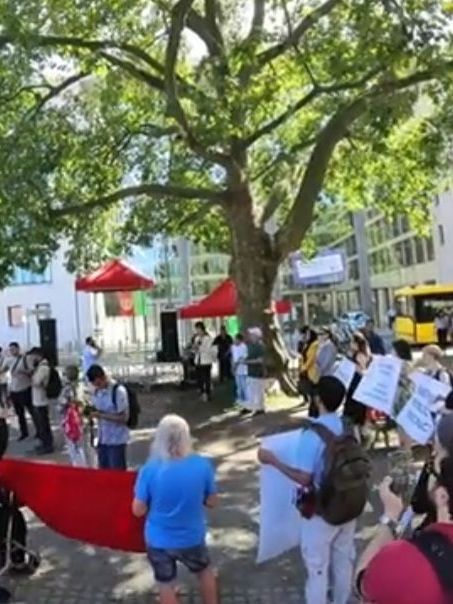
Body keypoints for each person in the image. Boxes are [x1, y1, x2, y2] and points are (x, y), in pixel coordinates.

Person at [258, 377, 359, 604]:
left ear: (318, 399)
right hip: (349, 501)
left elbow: (304, 478)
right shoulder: (347, 427)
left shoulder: (312, 435)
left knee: (317, 569)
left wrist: (274, 461)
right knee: (343, 559)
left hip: (322, 509)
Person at [132, 415, 218, 604]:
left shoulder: (149, 469)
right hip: (192, 536)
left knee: (166, 584)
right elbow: (212, 501)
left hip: (159, 540)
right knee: (204, 572)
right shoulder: (202, 465)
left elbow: (138, 510)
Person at [356, 461, 453, 604]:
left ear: (442, 496)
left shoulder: (403, 560)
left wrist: (390, 518)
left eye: (431, 468)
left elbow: (362, 582)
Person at [86, 364, 129, 470]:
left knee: (116, 473)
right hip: (102, 439)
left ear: (103, 377)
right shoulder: (96, 392)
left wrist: (101, 415)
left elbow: (124, 418)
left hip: (116, 440)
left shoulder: (118, 391)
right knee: (104, 472)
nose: (98, 387)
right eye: (95, 385)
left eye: (98, 384)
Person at [2, 342, 37, 442]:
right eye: (10, 349)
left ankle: (39, 431)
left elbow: (32, 371)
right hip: (14, 390)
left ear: (18, 348)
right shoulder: (8, 360)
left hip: (25, 389)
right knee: (19, 413)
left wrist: (25, 372)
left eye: (14, 349)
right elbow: (3, 370)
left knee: (32, 411)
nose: (12, 351)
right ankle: (24, 432)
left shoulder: (25, 359)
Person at [343, 332, 372, 441]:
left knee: (355, 418)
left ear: (356, 343)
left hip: (357, 386)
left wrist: (353, 366)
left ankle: (358, 440)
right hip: (353, 386)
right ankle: (358, 438)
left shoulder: (360, 355)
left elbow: (364, 371)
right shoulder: (354, 354)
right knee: (354, 419)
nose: (350, 344)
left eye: (352, 342)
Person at [60, 365, 87, 467]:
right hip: (82, 419)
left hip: (70, 421)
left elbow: (61, 404)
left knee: (73, 446)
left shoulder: (67, 389)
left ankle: (78, 466)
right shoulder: (82, 386)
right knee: (83, 446)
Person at [29, 347, 54, 455]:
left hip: (41, 400)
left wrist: (31, 377)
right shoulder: (39, 367)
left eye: (33, 356)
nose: (32, 358)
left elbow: (36, 382)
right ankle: (44, 443)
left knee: (44, 424)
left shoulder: (43, 367)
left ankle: (47, 445)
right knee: (41, 424)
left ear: (38, 355)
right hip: (37, 399)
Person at [298, 327, 319, 416]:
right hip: (306, 371)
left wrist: (304, 368)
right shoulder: (306, 344)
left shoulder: (315, 344)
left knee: (314, 393)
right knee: (310, 392)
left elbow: (311, 359)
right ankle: (312, 411)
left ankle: (315, 412)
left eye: (308, 334)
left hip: (311, 371)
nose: (306, 336)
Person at [245, 327, 266, 416]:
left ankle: (260, 408)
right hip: (250, 371)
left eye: (252, 335)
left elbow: (260, 360)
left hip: (258, 371)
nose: (250, 336)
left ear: (257, 336)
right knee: (251, 391)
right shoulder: (250, 346)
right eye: (250, 335)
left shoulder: (260, 346)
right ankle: (251, 407)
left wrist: (247, 362)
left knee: (258, 391)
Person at [193, 322, 215, 402]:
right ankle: (202, 393)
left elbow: (208, 349)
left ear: (202, 329)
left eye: (198, 329)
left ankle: (207, 394)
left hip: (206, 361)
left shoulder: (208, 339)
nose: (197, 331)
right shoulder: (196, 338)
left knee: (206, 378)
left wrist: (199, 347)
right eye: (196, 329)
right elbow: (195, 350)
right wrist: (195, 348)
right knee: (200, 378)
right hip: (198, 361)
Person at [231, 334, 248, 409]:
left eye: (236, 339)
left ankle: (247, 402)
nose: (234, 340)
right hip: (236, 370)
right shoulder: (233, 347)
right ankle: (240, 402)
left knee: (244, 386)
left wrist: (236, 365)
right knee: (238, 387)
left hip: (243, 369)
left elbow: (242, 358)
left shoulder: (244, 347)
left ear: (240, 340)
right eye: (234, 339)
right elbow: (233, 357)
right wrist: (232, 367)